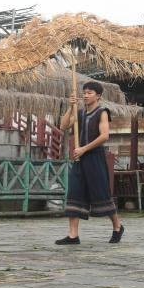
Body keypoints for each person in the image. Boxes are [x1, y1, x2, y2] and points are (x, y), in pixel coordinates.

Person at [55, 81, 124, 245]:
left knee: (102, 193)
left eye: (89, 93)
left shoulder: (102, 112)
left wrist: (84, 148)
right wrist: (70, 106)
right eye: (84, 92)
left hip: (95, 157)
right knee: (75, 192)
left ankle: (117, 226)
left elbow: (104, 136)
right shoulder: (79, 114)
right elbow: (63, 125)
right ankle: (73, 235)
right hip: (79, 158)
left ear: (98, 95)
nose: (85, 95)